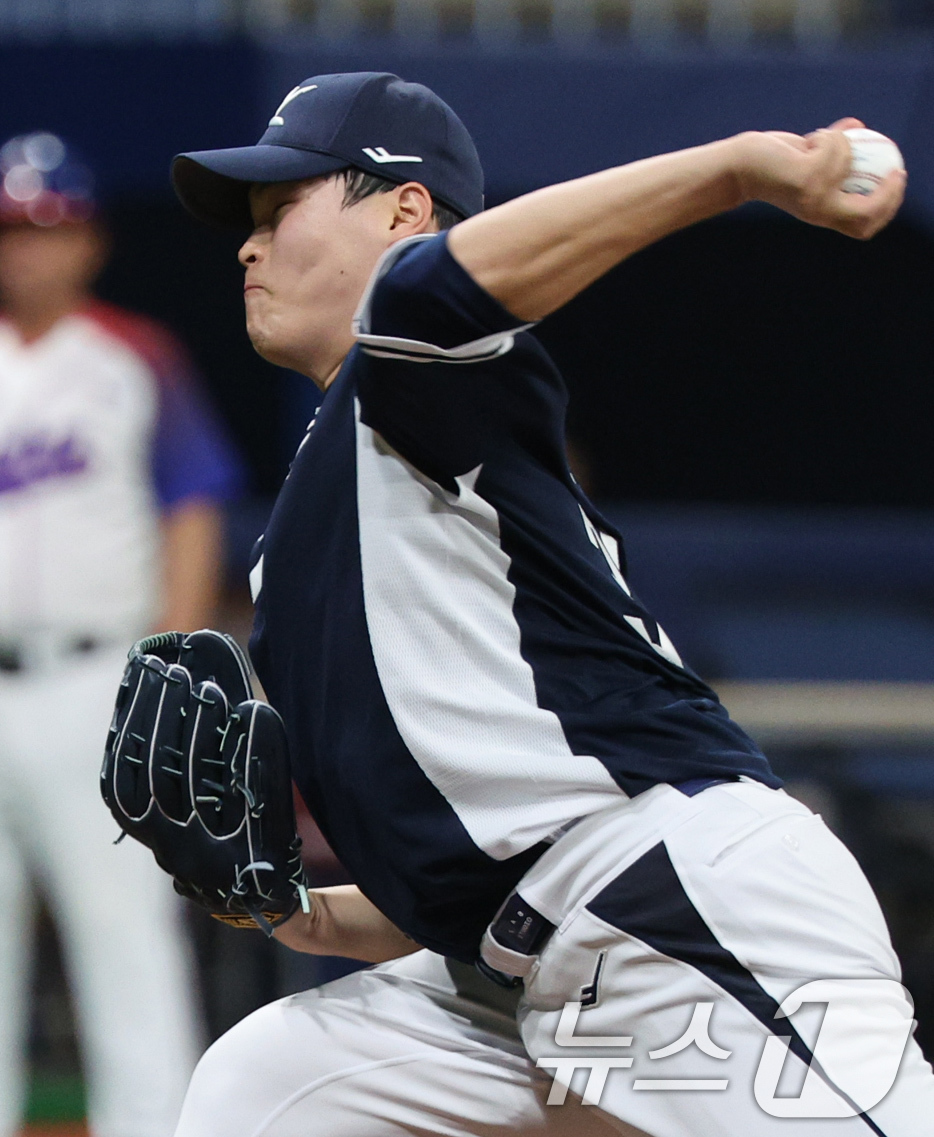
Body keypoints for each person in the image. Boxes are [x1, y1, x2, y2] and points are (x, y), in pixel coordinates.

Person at [168, 73, 932, 1135]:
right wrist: (313, 915)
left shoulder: (412, 372)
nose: (248, 247)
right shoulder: (311, 524)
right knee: (265, 1090)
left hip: (685, 904)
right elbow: (487, 826)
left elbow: (440, 292)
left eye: (279, 208)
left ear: (403, 209)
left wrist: (741, 168)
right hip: (520, 969)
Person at [0, 133, 242, 1137]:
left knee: (126, 939)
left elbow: (191, 506)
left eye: (49, 228)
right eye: (13, 231)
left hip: (96, 677)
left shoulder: (134, 357)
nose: (30, 251)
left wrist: (171, 675)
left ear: (88, 241)